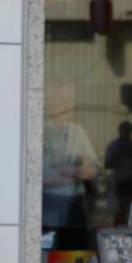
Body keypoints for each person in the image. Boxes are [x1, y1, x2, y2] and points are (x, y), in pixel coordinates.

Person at [42, 79, 100, 249]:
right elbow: (41, 176)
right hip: (49, 203)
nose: (67, 105)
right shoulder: (42, 131)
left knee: (77, 249)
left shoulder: (77, 131)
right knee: (50, 251)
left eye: (70, 100)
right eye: (62, 100)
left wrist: (64, 171)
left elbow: (92, 169)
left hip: (75, 203)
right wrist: (74, 172)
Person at [104, 120, 132, 226]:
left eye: (128, 131)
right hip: (119, 181)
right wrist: (118, 156)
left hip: (131, 181)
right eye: (124, 131)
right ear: (119, 131)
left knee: (130, 206)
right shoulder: (114, 146)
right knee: (119, 207)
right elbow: (107, 164)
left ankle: (128, 226)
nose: (126, 133)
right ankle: (118, 227)